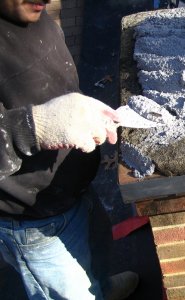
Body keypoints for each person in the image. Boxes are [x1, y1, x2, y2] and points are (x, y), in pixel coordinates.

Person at [0, 0, 138, 299]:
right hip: (34, 219)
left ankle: (100, 287)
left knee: (97, 258)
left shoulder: (30, 12)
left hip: (75, 185)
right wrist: (34, 126)